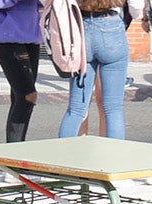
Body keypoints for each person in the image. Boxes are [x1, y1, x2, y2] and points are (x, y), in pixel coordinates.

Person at [59, 0, 138, 139]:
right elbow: (136, 9)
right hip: (111, 26)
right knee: (113, 108)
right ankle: (114, 157)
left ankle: (62, 156)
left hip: (81, 26)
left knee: (76, 109)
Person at [0, 0, 42, 143]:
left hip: (31, 34)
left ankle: (14, 151)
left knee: (20, 97)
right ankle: (14, 154)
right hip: (5, 35)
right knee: (27, 96)